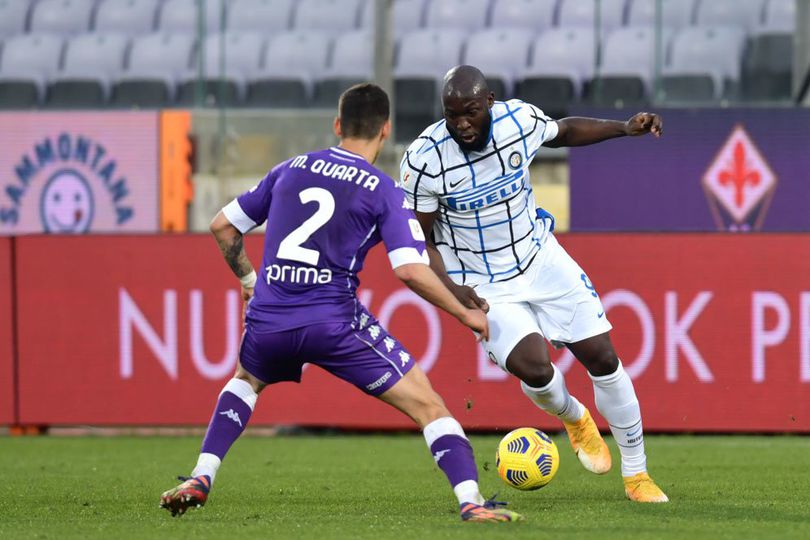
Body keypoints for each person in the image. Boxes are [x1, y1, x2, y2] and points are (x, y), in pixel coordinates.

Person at [159, 84, 523, 522]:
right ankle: (470, 501)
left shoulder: (288, 170)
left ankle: (201, 475)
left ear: (337, 125)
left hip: (270, 319)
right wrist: (464, 311)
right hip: (334, 323)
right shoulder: (385, 190)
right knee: (429, 406)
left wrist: (249, 281)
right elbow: (409, 268)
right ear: (385, 130)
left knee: (245, 380)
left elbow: (223, 227)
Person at [399, 65, 668, 503]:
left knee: (602, 356)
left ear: (489, 102)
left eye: (469, 112)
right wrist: (450, 286)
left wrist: (623, 128)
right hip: (481, 280)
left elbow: (563, 131)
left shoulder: (517, 121)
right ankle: (574, 416)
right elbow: (421, 238)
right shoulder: (425, 159)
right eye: (452, 115)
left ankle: (637, 476)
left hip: (540, 259)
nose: (461, 123)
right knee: (536, 367)